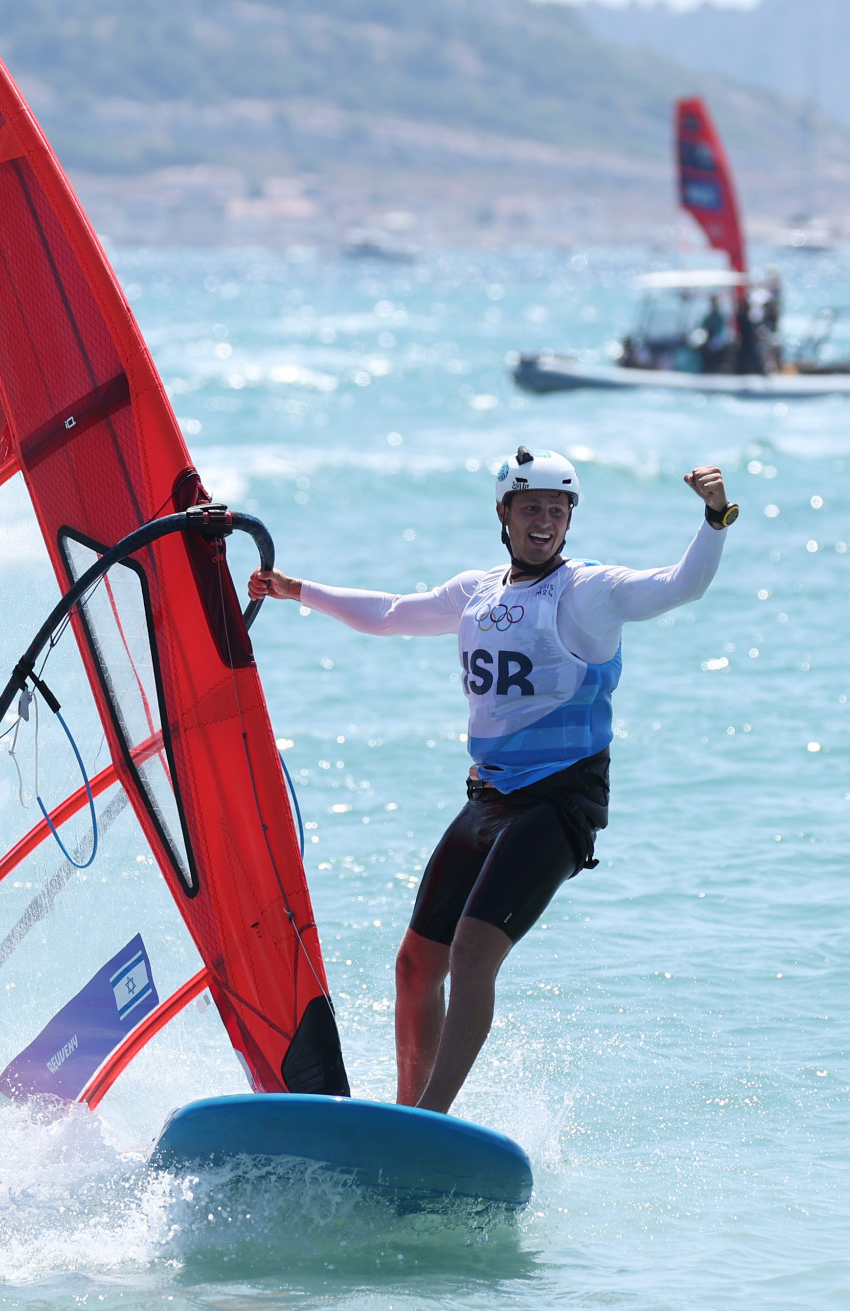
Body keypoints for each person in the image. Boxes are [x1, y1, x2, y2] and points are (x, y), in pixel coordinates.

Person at [248, 447, 736, 1113]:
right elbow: (392, 613)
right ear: (503, 514)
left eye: (557, 509)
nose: (544, 520)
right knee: (416, 964)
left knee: (474, 952)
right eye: (530, 507)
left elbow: (681, 585)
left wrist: (714, 520)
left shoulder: (588, 592)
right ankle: (403, 1113)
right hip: (490, 799)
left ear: (570, 519)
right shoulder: (478, 591)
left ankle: (431, 1119)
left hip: (561, 800)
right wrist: (297, 589)